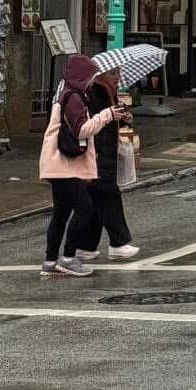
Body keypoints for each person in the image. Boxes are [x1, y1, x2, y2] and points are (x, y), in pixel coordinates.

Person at [38, 54, 123, 278]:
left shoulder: (67, 93)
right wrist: (107, 115)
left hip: (58, 164)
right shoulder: (74, 97)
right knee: (84, 207)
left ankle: (50, 261)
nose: (91, 80)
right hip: (63, 165)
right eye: (90, 76)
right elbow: (81, 130)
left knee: (61, 213)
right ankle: (67, 258)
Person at [76, 65, 139, 263]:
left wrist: (124, 118)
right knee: (109, 196)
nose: (118, 77)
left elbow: (111, 118)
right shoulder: (96, 93)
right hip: (99, 153)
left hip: (106, 152)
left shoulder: (108, 92)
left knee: (96, 201)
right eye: (113, 73)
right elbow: (94, 123)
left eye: (119, 73)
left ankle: (85, 246)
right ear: (101, 75)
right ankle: (118, 243)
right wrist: (112, 116)